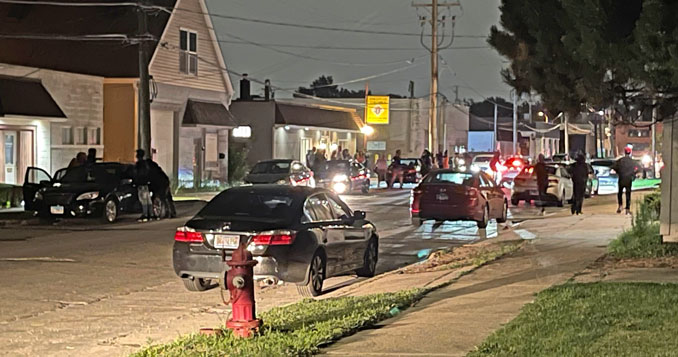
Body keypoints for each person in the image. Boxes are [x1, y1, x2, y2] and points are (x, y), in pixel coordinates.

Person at [612, 146, 637, 214]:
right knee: (628, 194)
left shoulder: (620, 160)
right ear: (630, 152)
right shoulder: (632, 161)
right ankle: (627, 209)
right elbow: (637, 168)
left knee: (620, 193)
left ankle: (620, 205)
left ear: (624, 152)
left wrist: (619, 172)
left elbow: (613, 166)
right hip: (629, 179)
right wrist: (633, 174)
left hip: (621, 178)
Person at [134, 149, 154, 222]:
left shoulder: (139, 164)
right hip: (146, 184)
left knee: (143, 200)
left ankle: (145, 214)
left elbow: (137, 174)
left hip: (141, 184)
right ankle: (151, 214)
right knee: (148, 199)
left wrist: (136, 182)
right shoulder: (146, 164)